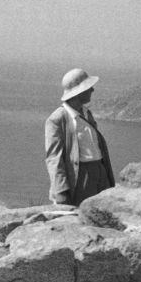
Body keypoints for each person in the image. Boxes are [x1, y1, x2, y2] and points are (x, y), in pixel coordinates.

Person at [44, 68, 115, 206]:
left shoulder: (87, 114)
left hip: (100, 174)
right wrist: (61, 191)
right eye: (88, 87)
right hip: (81, 178)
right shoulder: (57, 119)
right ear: (78, 92)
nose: (92, 90)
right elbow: (54, 159)